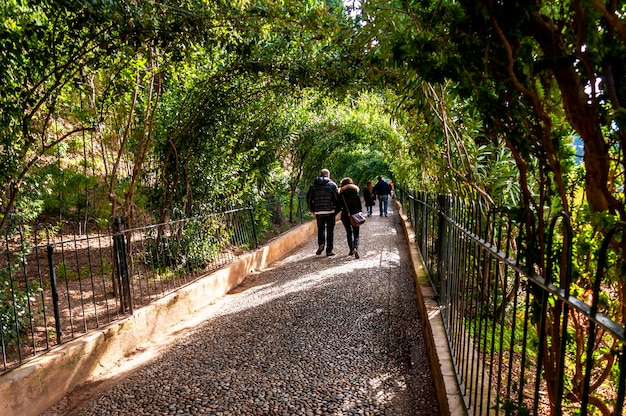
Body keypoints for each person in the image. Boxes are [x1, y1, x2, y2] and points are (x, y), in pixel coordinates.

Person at [306, 169, 339, 256]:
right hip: (330, 211)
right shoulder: (332, 185)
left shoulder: (313, 186)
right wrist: (336, 209)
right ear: (327, 175)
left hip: (319, 211)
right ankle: (329, 250)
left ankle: (321, 244)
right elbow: (336, 198)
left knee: (321, 229)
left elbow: (309, 199)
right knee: (330, 230)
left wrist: (312, 210)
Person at [338, 177, 363, 259]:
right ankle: (355, 248)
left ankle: (351, 250)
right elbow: (359, 204)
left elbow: (339, 205)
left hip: (345, 215)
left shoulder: (341, 193)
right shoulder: (355, 192)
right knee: (356, 233)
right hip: (355, 214)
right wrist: (359, 212)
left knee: (349, 232)